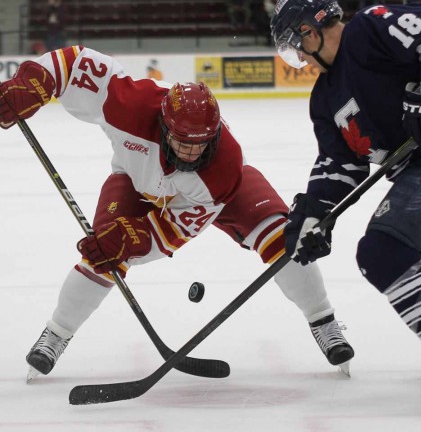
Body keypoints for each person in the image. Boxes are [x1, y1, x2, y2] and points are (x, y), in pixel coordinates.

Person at [0, 46, 354, 381]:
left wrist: (135, 238)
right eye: (182, 141)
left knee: (281, 237)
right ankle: (56, 334)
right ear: (164, 126)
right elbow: (75, 63)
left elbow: (175, 229)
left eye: (201, 142)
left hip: (214, 194)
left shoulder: (222, 167)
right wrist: (33, 82)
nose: (191, 151)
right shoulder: (128, 104)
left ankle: (324, 322)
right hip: (135, 180)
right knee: (102, 253)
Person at [270, 0, 421, 405]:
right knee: (408, 250)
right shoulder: (326, 97)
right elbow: (341, 163)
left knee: (385, 251)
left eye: (294, 45)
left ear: (308, 31)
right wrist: (315, 212)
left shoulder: (368, 31)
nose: (298, 57)